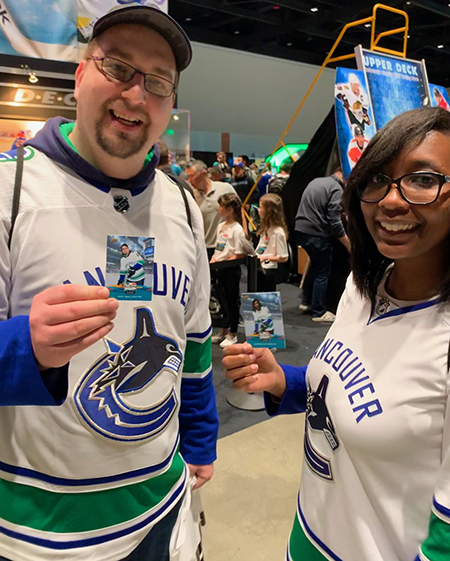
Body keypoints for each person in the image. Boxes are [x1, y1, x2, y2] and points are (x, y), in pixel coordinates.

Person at [0, 4, 218, 561]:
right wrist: (27, 347)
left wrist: (200, 439)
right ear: (79, 75)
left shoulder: (181, 205)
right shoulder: (11, 190)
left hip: (161, 510)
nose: (136, 94)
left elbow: (192, 342)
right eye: (117, 67)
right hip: (42, 533)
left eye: (158, 82)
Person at [222, 106, 450, 561]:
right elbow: (350, 388)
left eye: (423, 179)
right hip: (307, 538)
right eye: (377, 179)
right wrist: (285, 382)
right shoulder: (363, 287)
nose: (391, 200)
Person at [294, 168, 351, 322]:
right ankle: (318, 311)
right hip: (316, 233)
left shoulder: (317, 181)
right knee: (323, 272)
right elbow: (335, 222)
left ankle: (306, 302)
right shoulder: (336, 189)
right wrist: (348, 244)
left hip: (301, 230)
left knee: (315, 266)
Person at [210, 193, 253, 347]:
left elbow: (239, 253)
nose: (219, 209)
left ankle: (232, 333)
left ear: (229, 209)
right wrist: (214, 259)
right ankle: (224, 329)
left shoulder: (237, 229)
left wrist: (224, 261)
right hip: (219, 268)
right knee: (221, 300)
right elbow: (219, 248)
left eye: (221, 206)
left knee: (232, 301)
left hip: (231, 270)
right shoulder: (221, 226)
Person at [187, 160, 237, 260]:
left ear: (203, 173)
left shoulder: (225, 188)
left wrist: (244, 234)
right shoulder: (191, 196)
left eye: (192, 176)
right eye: (188, 177)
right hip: (204, 247)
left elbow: (239, 211)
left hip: (227, 245)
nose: (189, 180)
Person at [255, 193, 289, 292]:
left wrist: (265, 258)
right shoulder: (266, 227)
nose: (258, 209)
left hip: (268, 271)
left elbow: (283, 257)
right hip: (259, 268)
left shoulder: (278, 232)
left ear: (269, 211)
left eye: (261, 207)